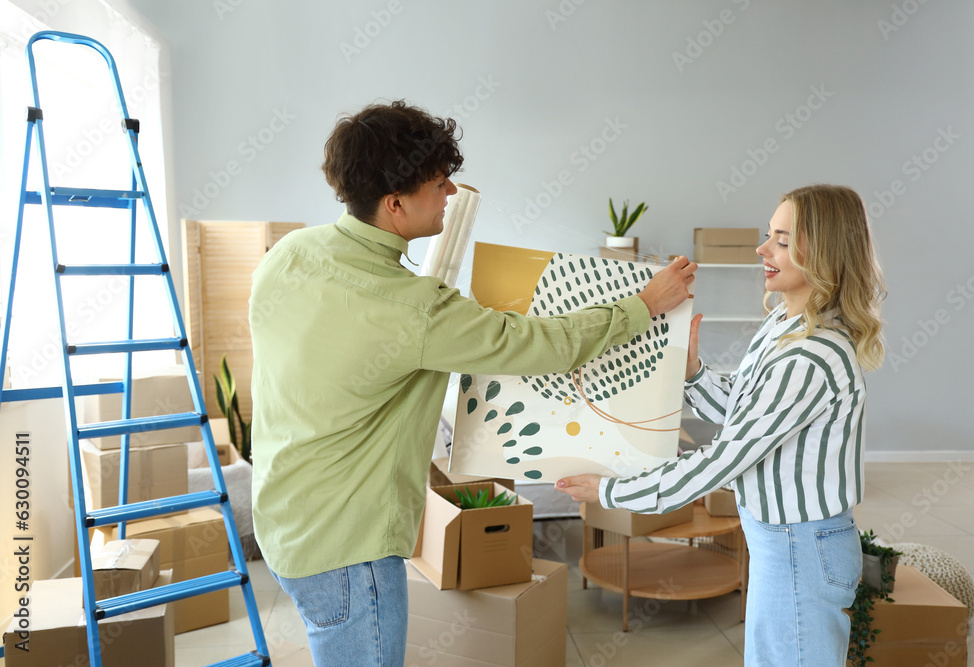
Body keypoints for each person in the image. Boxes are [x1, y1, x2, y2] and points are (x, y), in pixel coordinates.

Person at [247, 99, 697, 666]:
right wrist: (642, 305)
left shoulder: (289, 255)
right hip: (349, 550)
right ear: (395, 204)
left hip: (286, 523)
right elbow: (536, 344)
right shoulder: (413, 308)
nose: (452, 193)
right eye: (438, 184)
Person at [556, 184, 887, 667]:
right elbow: (743, 411)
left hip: (800, 547)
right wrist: (692, 372)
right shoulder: (783, 325)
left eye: (781, 239)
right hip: (782, 541)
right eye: (768, 235)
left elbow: (725, 457)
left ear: (824, 253)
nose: (762, 249)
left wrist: (613, 492)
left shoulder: (811, 355)